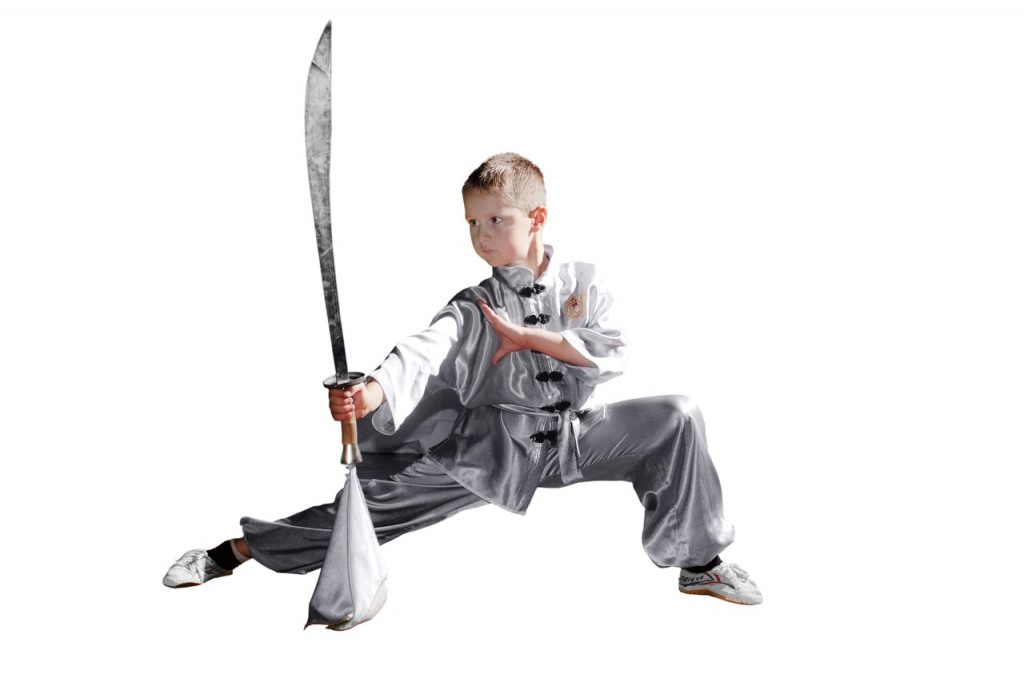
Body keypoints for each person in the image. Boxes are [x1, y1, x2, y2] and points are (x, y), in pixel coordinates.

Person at [163, 153, 762, 606]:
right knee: (368, 513)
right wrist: (372, 391)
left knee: (677, 417)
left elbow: (611, 353)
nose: (482, 236)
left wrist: (533, 338)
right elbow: (424, 351)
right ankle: (231, 552)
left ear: (537, 218)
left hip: (574, 437)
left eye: (496, 220)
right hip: (490, 451)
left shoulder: (583, 283)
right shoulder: (474, 305)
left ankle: (698, 563)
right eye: (472, 223)